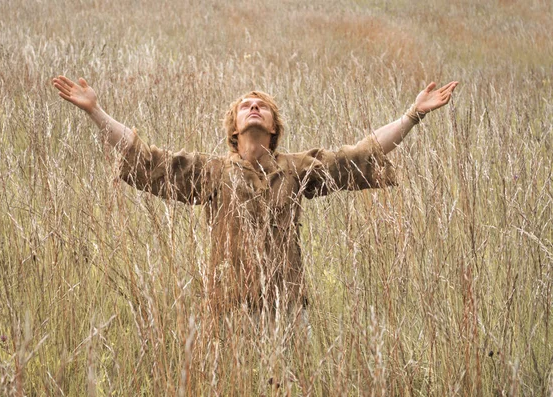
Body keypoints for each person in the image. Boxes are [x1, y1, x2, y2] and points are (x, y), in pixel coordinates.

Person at [52, 76, 458, 317]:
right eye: (246, 106)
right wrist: (95, 111)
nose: (253, 107)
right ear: (234, 129)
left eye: (261, 106)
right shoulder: (210, 171)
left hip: (289, 307)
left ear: (274, 126)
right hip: (230, 308)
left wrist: (413, 115)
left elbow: (363, 154)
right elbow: (146, 159)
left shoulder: (299, 168)